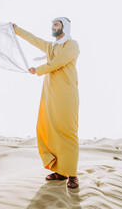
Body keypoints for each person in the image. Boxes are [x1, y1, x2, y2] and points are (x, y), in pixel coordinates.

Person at [12, 17, 80, 189]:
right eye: (52, 25)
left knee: (67, 131)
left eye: (56, 25)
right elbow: (34, 39)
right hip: (50, 93)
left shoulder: (72, 45)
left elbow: (59, 62)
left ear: (65, 27)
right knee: (50, 130)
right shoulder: (51, 47)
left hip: (66, 93)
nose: (53, 27)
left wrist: (38, 70)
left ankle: (72, 174)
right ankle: (60, 171)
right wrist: (16, 29)